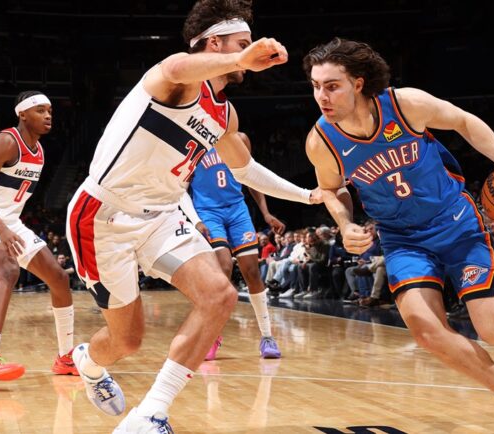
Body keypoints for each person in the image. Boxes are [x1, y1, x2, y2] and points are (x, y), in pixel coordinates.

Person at [66, 3, 319, 431]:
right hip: (103, 216)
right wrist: (240, 58)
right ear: (215, 43)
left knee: (219, 295)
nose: (248, 50)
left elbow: (244, 170)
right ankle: (88, 362)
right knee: (127, 341)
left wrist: (308, 196)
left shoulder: (225, 113)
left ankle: (150, 414)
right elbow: (178, 65)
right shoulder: (175, 80)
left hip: (162, 216)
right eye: (242, 42)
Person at [302, 38, 494, 433]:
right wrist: (345, 223)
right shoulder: (321, 141)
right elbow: (332, 190)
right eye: (316, 86)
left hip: (455, 222)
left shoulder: (404, 104)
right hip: (402, 239)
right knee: (425, 330)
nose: (322, 96)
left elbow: (464, 122)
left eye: (331, 85)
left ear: (357, 82)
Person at [0, 92, 78, 386]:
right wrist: (1, 229)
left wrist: (8, 227)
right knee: (9, 270)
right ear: (22, 114)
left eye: (50, 110)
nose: (48, 115)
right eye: (39, 110)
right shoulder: (6, 142)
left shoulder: (40, 151)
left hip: (8, 222)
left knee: (59, 278)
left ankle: (65, 357)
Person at [184, 131, 286, 361]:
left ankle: (267, 337)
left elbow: (252, 178)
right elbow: (180, 189)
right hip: (208, 213)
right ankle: (212, 336)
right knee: (223, 268)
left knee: (252, 271)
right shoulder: (192, 143)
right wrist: (195, 219)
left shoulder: (240, 139)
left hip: (237, 211)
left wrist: (266, 214)